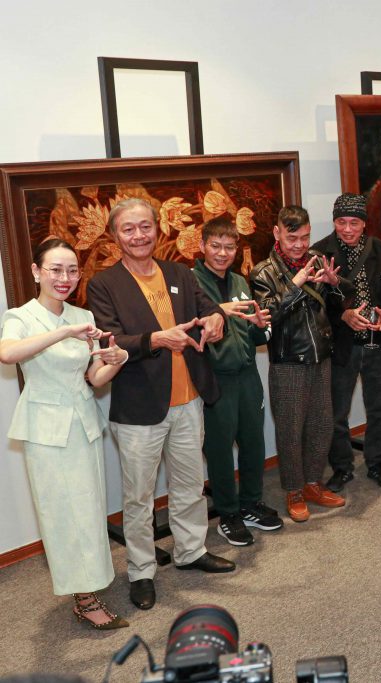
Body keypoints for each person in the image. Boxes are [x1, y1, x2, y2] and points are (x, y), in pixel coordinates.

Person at [88, 198, 236, 612]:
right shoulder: (104, 284)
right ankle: (141, 571)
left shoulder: (179, 273)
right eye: (128, 229)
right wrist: (156, 339)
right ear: (115, 235)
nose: (138, 235)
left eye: (145, 227)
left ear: (158, 228)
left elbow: (208, 310)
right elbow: (110, 339)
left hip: (189, 400)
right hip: (139, 410)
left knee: (189, 484)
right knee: (139, 498)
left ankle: (191, 550)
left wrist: (216, 319)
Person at [0, 239, 130, 629]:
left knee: (89, 509)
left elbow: (94, 377)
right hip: (45, 429)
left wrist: (118, 360)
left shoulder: (82, 314)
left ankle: (89, 587)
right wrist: (64, 332)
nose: (65, 278)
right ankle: (84, 598)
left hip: (83, 422)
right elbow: (8, 354)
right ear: (36, 272)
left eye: (72, 270)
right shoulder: (20, 316)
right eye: (55, 269)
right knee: (61, 513)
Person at [251, 205, 347, 522]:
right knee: (291, 429)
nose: (299, 245)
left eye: (305, 237)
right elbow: (268, 316)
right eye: (292, 238)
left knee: (322, 424)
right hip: (288, 360)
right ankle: (293, 489)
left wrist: (334, 283)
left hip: (321, 354)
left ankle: (312, 483)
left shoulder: (316, 259)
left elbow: (335, 306)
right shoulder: (263, 272)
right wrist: (295, 284)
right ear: (277, 233)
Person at [192, 216, 283, 546]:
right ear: (202, 246)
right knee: (219, 449)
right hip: (215, 379)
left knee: (253, 443)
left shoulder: (240, 280)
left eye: (229, 247)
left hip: (247, 375)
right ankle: (228, 514)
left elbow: (255, 335)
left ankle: (250, 504)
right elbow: (187, 328)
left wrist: (260, 326)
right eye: (215, 246)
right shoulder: (190, 283)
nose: (222, 253)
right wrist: (219, 311)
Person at [313, 193, 381, 492]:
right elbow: (314, 303)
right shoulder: (319, 253)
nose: (347, 229)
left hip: (377, 342)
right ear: (334, 221)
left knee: (380, 409)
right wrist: (342, 315)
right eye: (341, 222)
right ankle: (342, 467)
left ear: (364, 224)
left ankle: (377, 463)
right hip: (341, 346)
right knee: (337, 413)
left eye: (354, 223)